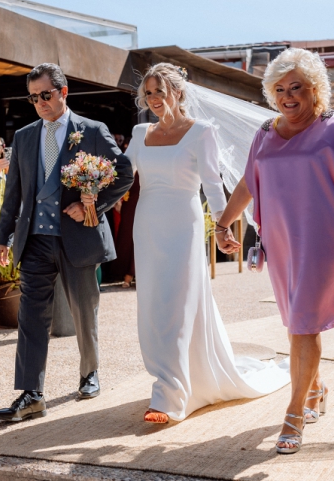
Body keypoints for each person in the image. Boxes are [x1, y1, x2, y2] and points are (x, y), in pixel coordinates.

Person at [216, 48, 334, 454]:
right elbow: (249, 184)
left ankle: (294, 413)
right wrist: (222, 223)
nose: (288, 96)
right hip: (281, 240)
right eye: (280, 89)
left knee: (304, 322)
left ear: (315, 89)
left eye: (297, 88)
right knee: (295, 322)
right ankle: (317, 388)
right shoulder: (265, 132)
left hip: (324, 239)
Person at [124, 63, 289, 426]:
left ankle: (169, 395)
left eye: (159, 91)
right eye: (148, 92)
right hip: (148, 223)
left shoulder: (201, 132)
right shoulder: (139, 133)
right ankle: (174, 378)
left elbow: (213, 185)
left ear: (178, 93)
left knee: (178, 303)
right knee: (154, 303)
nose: (153, 99)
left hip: (184, 224)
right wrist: (92, 190)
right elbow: (122, 176)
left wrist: (223, 226)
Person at [0, 63, 133, 422]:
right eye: (33, 97)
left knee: (85, 311)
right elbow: (14, 194)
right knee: (31, 317)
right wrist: (3, 236)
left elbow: (124, 174)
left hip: (78, 238)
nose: (39, 102)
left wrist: (91, 204)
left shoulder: (92, 130)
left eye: (45, 95)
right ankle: (31, 393)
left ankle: (90, 373)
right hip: (35, 239)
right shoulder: (23, 136)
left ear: (63, 92)